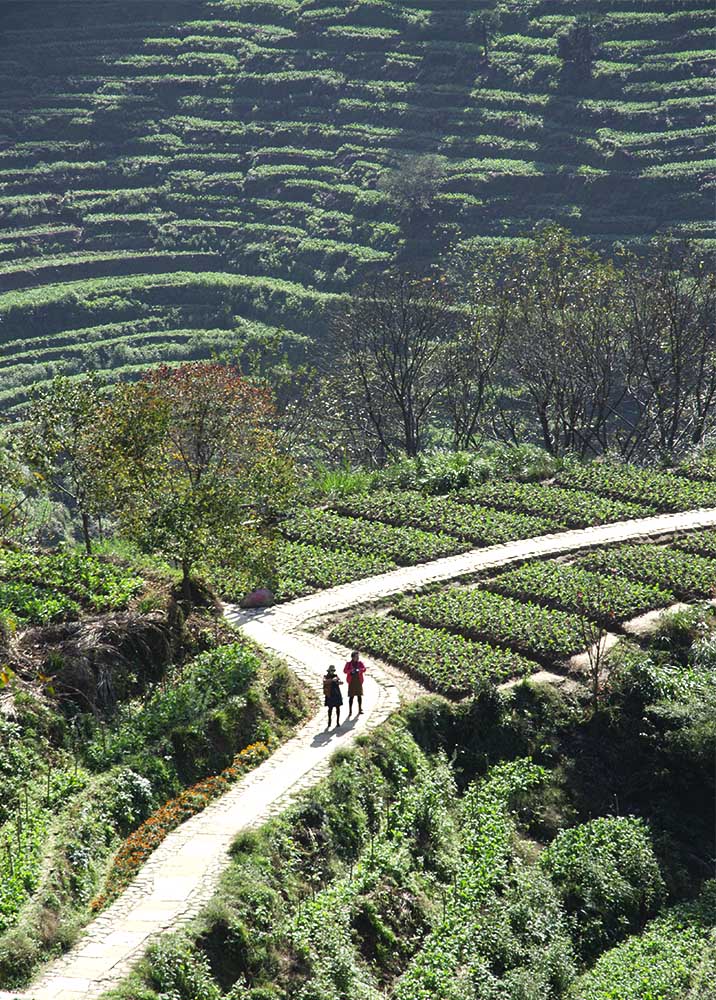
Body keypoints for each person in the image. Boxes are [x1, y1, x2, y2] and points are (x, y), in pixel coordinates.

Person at [344, 650, 366, 716]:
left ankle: (360, 709)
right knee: (351, 697)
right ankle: (350, 711)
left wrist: (359, 670)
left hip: (358, 681)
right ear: (352, 657)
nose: (358, 658)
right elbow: (345, 671)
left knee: (359, 695)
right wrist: (351, 671)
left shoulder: (360, 663)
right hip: (351, 682)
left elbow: (364, 669)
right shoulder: (348, 664)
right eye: (356, 657)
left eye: (358, 656)